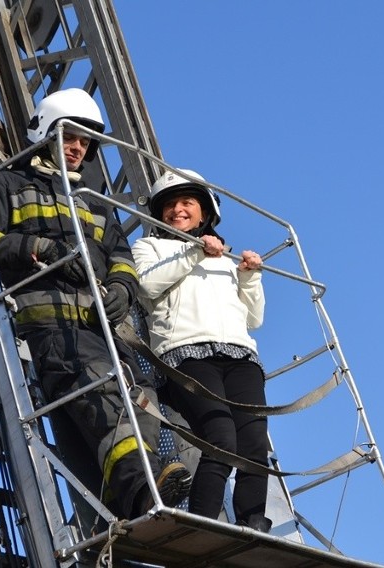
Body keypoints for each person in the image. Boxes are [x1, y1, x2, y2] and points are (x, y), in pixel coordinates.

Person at [0, 88, 191, 520]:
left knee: (140, 400)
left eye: (84, 143)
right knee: (103, 391)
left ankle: (123, 495)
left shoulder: (92, 202)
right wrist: (40, 248)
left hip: (103, 328)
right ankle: (142, 491)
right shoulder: (8, 183)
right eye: (70, 138)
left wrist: (122, 289)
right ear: (46, 133)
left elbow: (121, 258)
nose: (78, 148)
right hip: (53, 331)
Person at [132, 169, 272, 532]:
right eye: (170, 205)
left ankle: (253, 522)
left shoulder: (224, 260)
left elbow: (254, 318)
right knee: (220, 438)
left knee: (254, 444)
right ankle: (204, 526)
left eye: (187, 203)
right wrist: (194, 251)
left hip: (240, 356)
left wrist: (249, 276)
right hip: (186, 355)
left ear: (204, 212)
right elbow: (146, 286)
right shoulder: (150, 248)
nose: (177, 210)